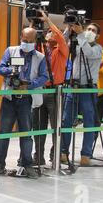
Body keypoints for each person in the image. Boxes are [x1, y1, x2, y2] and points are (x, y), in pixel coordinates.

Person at [0, 27, 49, 178]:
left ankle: (27, 164)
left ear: (35, 41)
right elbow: (0, 68)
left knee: (26, 134)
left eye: (30, 41)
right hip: (9, 98)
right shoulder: (10, 51)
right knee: (4, 132)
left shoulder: (40, 57)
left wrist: (28, 85)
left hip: (26, 99)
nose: (27, 43)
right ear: (20, 37)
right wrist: (11, 71)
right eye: (25, 40)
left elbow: (45, 77)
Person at [61, 23, 103, 166]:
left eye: (93, 30)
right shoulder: (78, 43)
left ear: (97, 35)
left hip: (88, 88)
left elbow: (88, 53)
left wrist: (80, 35)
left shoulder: (98, 48)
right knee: (66, 120)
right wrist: (69, 27)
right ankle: (63, 152)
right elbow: (63, 44)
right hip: (73, 87)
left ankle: (86, 154)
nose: (89, 31)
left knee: (89, 122)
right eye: (88, 29)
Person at [32, 11, 69, 165]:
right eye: (47, 33)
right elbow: (29, 40)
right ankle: (38, 156)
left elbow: (60, 35)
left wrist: (47, 20)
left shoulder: (61, 51)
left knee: (56, 126)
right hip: (41, 90)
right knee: (39, 126)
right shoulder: (40, 50)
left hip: (55, 91)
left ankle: (55, 156)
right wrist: (33, 24)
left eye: (51, 33)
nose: (50, 35)